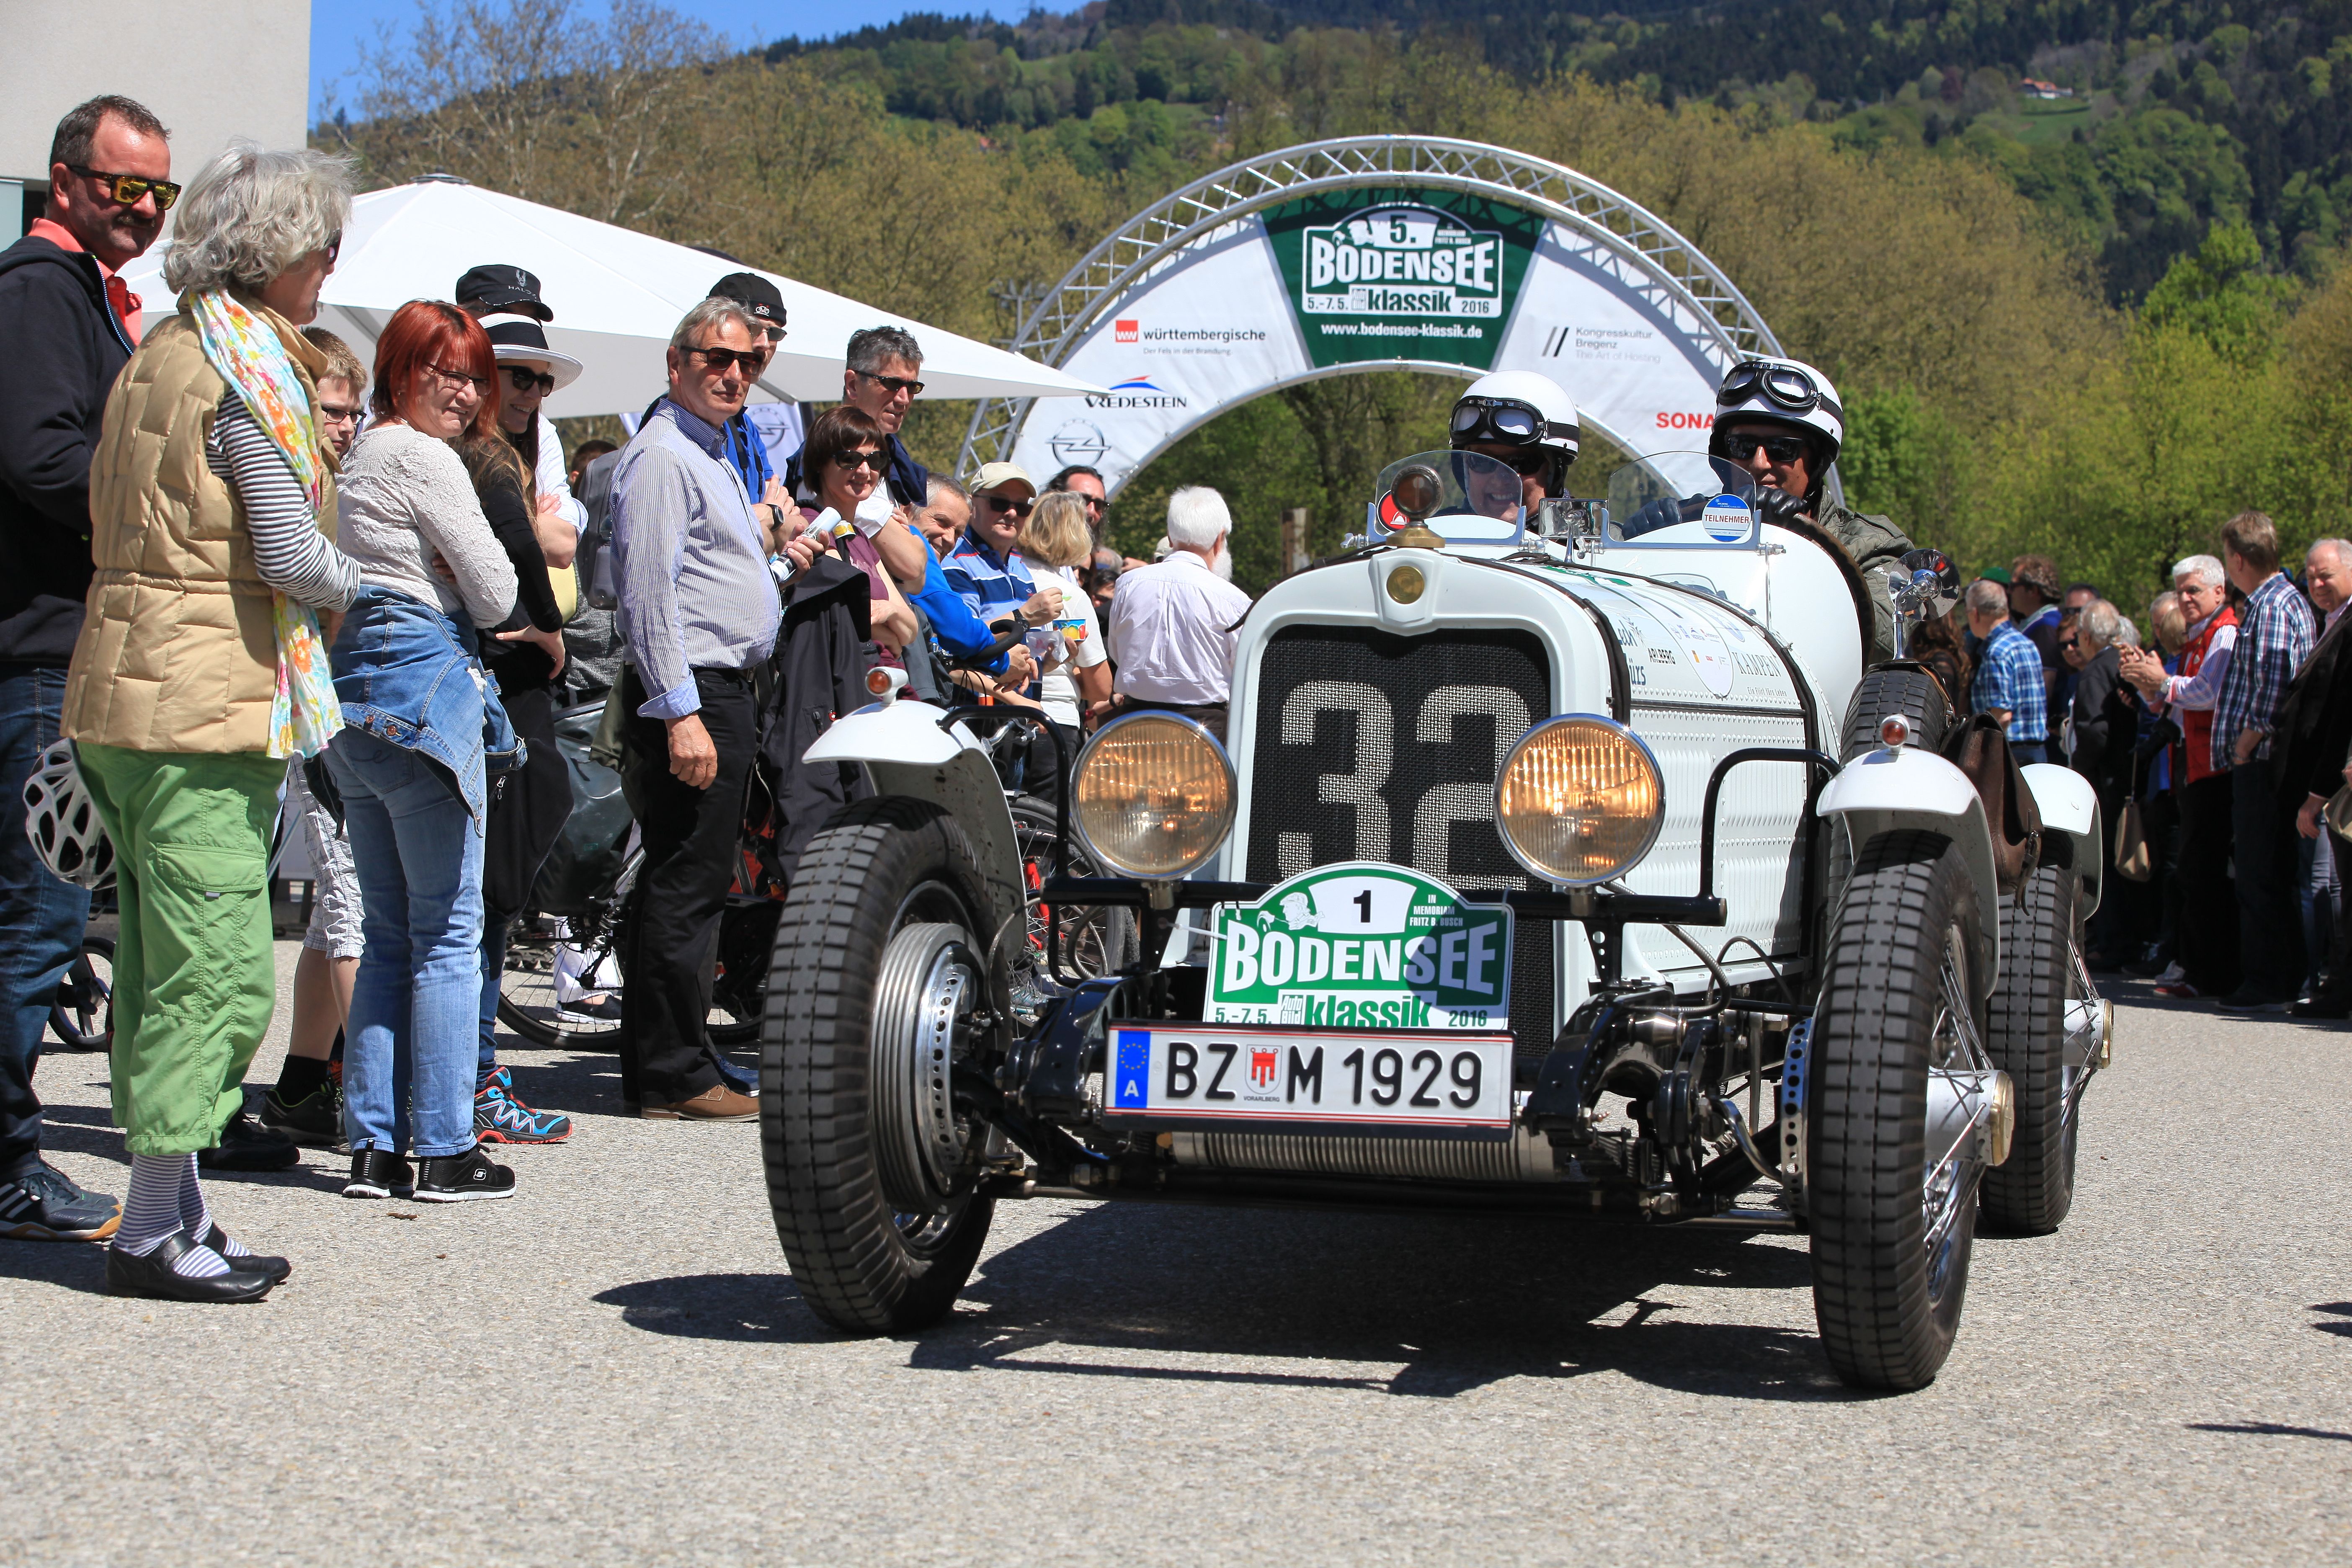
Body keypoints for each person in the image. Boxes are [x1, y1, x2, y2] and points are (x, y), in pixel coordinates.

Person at [62, 141, 360, 1299]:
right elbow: (287, 553)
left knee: (152, 961)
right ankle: (148, 1232)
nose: (330, 267)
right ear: (275, 253)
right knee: (222, 972)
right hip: (202, 703)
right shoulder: (250, 378)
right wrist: (376, 585)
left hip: (123, 689)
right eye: (321, 246)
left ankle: (177, 1208)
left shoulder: (163, 352)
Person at [0, 94, 172, 1243]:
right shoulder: (37, 292)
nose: (145, 209)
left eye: (159, 191)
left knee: (39, 915)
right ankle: (9, 1169)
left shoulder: (82, 300)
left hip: (58, 644)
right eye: (124, 187)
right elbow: (42, 456)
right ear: (65, 180)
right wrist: (158, 511)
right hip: (36, 652)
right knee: (37, 919)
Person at [329, 299, 525, 1203]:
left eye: (475, 374)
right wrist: (450, 569)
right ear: (399, 371)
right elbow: (495, 593)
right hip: (422, 678)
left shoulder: (357, 455)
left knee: (387, 934)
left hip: (350, 693)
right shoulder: (423, 456)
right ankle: (445, 1147)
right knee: (449, 932)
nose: (465, 389)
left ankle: (372, 1147)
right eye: (443, 370)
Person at [609, 296, 782, 1121]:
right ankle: (673, 1073)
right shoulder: (664, 457)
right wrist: (680, 713)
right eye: (716, 358)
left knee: (691, 883)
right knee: (685, 886)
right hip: (694, 693)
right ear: (676, 364)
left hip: (717, 691)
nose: (733, 373)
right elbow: (646, 599)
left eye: (745, 360)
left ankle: (673, 1064)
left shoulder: (705, 453)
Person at [466, 312, 580, 1145]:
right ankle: (462, 1083)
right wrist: (541, 623)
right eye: (517, 375)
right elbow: (527, 557)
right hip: (484, 669)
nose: (531, 393)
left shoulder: (526, 454)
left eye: (542, 381)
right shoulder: (474, 456)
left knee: (493, 895)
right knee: (469, 900)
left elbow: (564, 542)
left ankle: (465, 1078)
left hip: (521, 680)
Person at [260, 327, 371, 1149]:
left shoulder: (337, 478)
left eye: (353, 411)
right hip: (306, 707)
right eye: (332, 409)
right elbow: (296, 575)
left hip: (324, 708)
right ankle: (381, 1107)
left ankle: (302, 1086)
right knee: (354, 914)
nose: (345, 424)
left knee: (334, 917)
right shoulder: (290, 478)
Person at [1706, 356, 1915, 666]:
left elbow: (1881, 639)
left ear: (1817, 462)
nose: (1760, 463)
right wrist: (1643, 542)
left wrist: (1801, 543)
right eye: (1742, 446)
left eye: (1782, 449)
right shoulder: (1690, 532)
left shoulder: (1872, 546)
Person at [2205, 511, 2316, 1012]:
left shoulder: (2271, 605)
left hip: (2264, 760)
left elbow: (2274, 687)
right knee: (2266, 871)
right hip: (2269, 760)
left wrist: (2246, 745)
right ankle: (2281, 976)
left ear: (2238, 558)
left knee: (2260, 873)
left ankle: (2271, 980)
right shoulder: (2282, 600)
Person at [2119, 555, 2239, 1000]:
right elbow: (2174, 706)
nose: (2185, 599)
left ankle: (2210, 972)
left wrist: (2162, 681)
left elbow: (2208, 693)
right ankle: (2196, 967)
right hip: (2196, 766)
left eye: (2194, 590)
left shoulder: (2224, 633)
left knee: (2202, 872)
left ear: (2219, 592)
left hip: (2215, 766)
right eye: (2181, 591)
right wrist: (2149, 685)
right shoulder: (2197, 638)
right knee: (2193, 872)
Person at [1106, 486, 1253, 745]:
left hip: (1134, 722)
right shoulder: (1235, 600)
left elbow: (1118, 651)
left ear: (1171, 539)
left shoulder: (1128, 584)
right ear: (1220, 540)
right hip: (1204, 730)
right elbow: (1243, 672)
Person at [2273, 540, 2352, 1016]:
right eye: (2311, 576)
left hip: (2339, 780)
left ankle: (2340, 986)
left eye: (2326, 575)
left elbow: (2343, 713)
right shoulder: (2330, 622)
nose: (2316, 584)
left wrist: (2318, 793)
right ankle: (2337, 982)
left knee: (2335, 889)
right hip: (2328, 775)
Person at [453, 264, 584, 536]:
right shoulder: (425, 413)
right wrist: (527, 518)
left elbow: (566, 539)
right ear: (462, 315)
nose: (520, 328)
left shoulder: (540, 430)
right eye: (504, 314)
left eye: (531, 319)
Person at [797, 405, 918, 663]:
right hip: (847, 683)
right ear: (820, 463)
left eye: (875, 460)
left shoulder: (861, 538)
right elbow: (845, 614)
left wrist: (889, 612)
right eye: (850, 459)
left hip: (885, 678)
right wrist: (890, 635)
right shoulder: (811, 527)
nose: (865, 471)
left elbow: (911, 630)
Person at [2066, 600, 2139, 967]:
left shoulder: (2097, 670)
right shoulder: (2121, 663)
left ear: (2087, 636)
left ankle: (2113, 945)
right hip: (2125, 774)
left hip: (2106, 780)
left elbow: (2094, 732)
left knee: (2107, 863)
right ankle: (2123, 942)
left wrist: (2077, 770)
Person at [783, 325, 928, 507]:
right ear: (852, 384)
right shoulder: (827, 454)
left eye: (912, 388)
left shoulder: (898, 462)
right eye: (892, 384)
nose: (904, 399)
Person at [1018, 490, 1114, 738]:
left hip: (1002, 712)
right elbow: (1102, 689)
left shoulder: (1003, 579)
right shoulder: (1071, 596)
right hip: (1055, 721)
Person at [1449, 369, 1581, 513]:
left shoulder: (1587, 536)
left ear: (1556, 474)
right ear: (1463, 470)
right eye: (1482, 461)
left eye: (1521, 463)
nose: (1500, 480)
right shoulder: (1434, 533)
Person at [1963, 578, 2052, 763]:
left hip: (2010, 752)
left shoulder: (1997, 651)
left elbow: (2002, 715)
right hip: (2038, 750)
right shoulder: (2027, 644)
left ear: (1975, 614)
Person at [2009, 554, 2064, 712]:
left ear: (2032, 591)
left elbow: (2047, 681)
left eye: (2013, 586)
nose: (2009, 591)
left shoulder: (2046, 627)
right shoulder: (2041, 622)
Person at [1047, 463, 1109, 542]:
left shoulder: (1101, 554)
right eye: (1082, 500)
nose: (1091, 511)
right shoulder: (1028, 552)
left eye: (1099, 505)